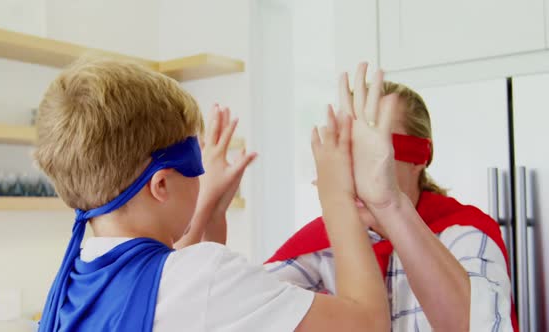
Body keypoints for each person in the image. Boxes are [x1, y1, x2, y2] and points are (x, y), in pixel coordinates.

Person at [34, 57, 392, 331]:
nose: (203, 172)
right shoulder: (203, 278)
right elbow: (368, 324)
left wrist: (209, 212)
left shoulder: (74, 283)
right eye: (196, 161)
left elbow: (194, 305)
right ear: (161, 185)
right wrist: (337, 197)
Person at [265, 63, 517, 332]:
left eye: (374, 145)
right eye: (347, 146)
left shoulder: (464, 237)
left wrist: (390, 206)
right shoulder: (319, 247)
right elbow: (247, 312)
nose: (356, 164)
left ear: (420, 156)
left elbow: (478, 326)